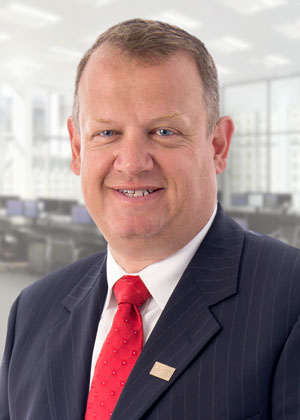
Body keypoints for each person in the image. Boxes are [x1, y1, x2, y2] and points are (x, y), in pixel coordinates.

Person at [1, 18, 300, 420]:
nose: (131, 163)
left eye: (163, 131)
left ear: (217, 145)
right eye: (107, 133)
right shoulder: (33, 311)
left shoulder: (289, 300)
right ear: (76, 148)